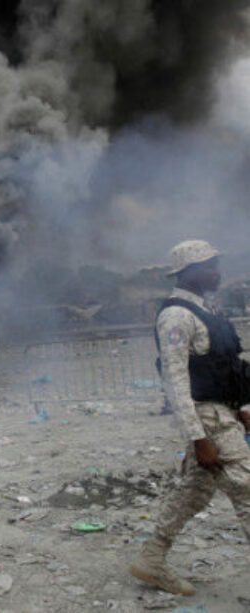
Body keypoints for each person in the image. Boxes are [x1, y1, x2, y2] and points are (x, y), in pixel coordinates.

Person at [130, 240, 250, 595]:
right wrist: (199, 438)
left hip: (224, 410)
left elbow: (232, 365)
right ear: (190, 273)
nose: (218, 271)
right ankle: (152, 560)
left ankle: (151, 559)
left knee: (194, 493)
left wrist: (244, 407)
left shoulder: (208, 310)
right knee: (247, 487)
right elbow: (176, 382)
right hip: (207, 416)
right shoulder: (176, 317)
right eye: (211, 265)